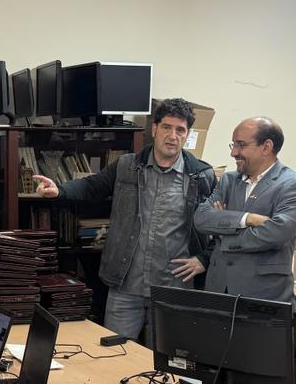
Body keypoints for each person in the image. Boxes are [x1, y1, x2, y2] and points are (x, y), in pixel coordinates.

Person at [32, 98, 216, 341]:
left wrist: (204, 259)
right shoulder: (127, 166)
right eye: (166, 127)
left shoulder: (201, 176)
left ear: (187, 134)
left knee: (167, 365)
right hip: (125, 285)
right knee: (115, 357)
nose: (172, 136)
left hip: (174, 287)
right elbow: (91, 187)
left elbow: (221, 225)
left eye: (180, 130)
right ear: (154, 129)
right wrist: (60, 190)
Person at [193, 116, 296, 303]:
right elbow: (201, 219)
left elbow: (278, 233)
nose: (233, 153)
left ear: (266, 147)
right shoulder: (228, 181)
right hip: (217, 291)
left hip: (263, 296)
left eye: (240, 145)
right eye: (233, 145)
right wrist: (247, 219)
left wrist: (223, 232)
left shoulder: (293, 184)